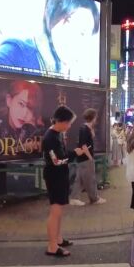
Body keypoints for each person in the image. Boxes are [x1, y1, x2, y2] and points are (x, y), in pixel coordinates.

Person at [0, 0, 101, 80]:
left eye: (87, 36)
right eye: (81, 33)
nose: (82, 45)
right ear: (55, 19)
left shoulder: (65, 66)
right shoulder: (18, 52)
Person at [42, 106, 86, 257]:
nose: (70, 126)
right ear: (61, 121)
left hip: (60, 175)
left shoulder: (57, 134)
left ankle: (58, 239)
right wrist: (75, 153)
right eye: (69, 123)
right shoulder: (50, 137)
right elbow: (57, 161)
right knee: (55, 211)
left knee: (59, 211)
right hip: (54, 176)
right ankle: (52, 247)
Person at [70, 108, 106, 206]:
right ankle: (94, 199)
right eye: (96, 117)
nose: (97, 118)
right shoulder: (85, 129)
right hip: (86, 158)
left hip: (82, 158)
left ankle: (74, 198)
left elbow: (88, 141)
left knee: (80, 179)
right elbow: (84, 146)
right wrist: (90, 158)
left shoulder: (86, 128)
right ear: (93, 117)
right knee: (90, 179)